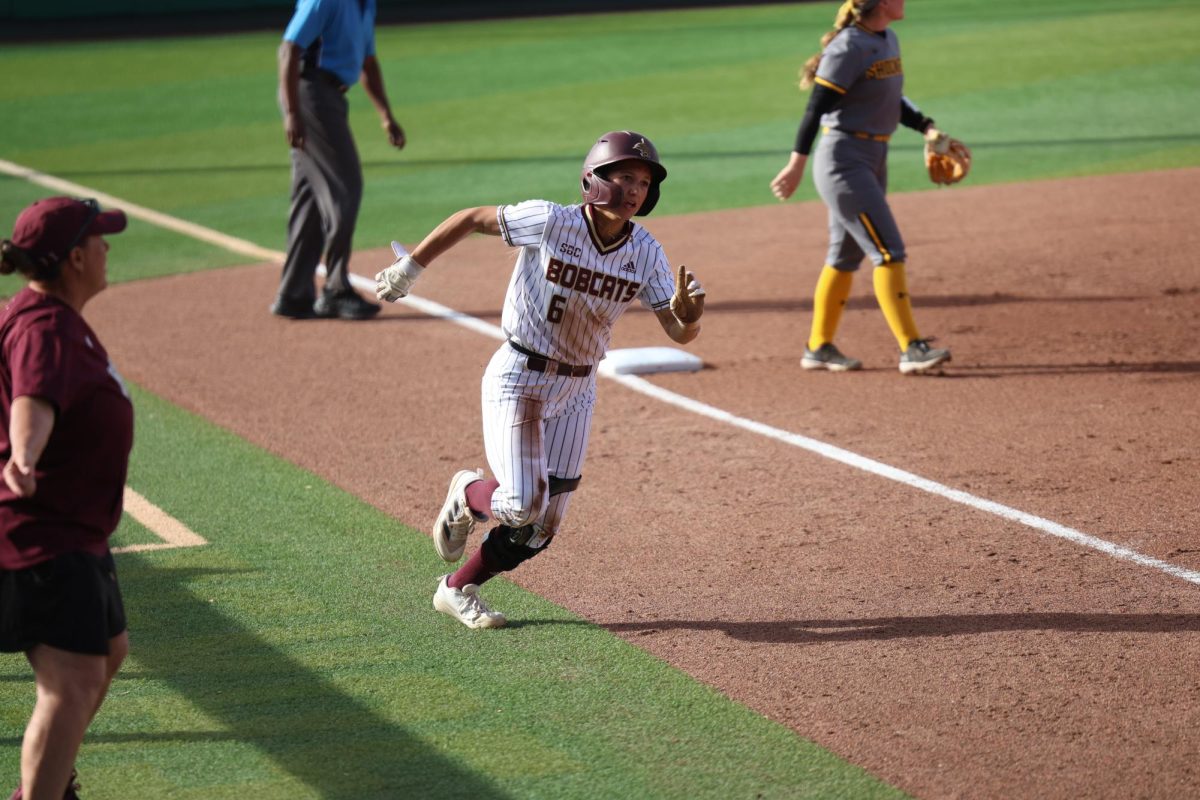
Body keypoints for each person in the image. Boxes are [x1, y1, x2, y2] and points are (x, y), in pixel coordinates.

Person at [375, 131, 706, 629]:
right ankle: (467, 493)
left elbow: (679, 332)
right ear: (595, 179)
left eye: (643, 182)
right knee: (522, 503)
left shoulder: (646, 251)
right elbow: (470, 218)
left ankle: (456, 588)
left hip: (577, 391)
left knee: (541, 528)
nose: (635, 189)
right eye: (624, 177)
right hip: (521, 376)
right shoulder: (552, 221)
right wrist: (411, 267)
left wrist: (692, 317)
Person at [0, 197, 133, 800]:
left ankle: (49, 782)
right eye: (99, 240)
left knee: (106, 653)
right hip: (43, 530)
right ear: (75, 258)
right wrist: (24, 457)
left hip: (76, 528)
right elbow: (34, 400)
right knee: (73, 681)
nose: (109, 248)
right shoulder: (46, 329)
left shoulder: (42, 314)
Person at [770, 0, 953, 374]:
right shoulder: (848, 47)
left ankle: (819, 347)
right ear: (882, 3)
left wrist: (927, 126)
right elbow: (815, 107)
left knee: (844, 256)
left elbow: (892, 97)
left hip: (873, 158)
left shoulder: (888, 38)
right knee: (888, 251)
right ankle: (911, 348)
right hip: (844, 161)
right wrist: (796, 165)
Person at [272, 0, 406, 320]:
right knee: (345, 187)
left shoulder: (366, 5)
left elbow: (368, 62)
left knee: (311, 199)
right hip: (310, 93)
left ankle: (293, 293)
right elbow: (288, 48)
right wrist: (292, 112)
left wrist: (385, 114)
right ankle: (335, 289)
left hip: (330, 96)